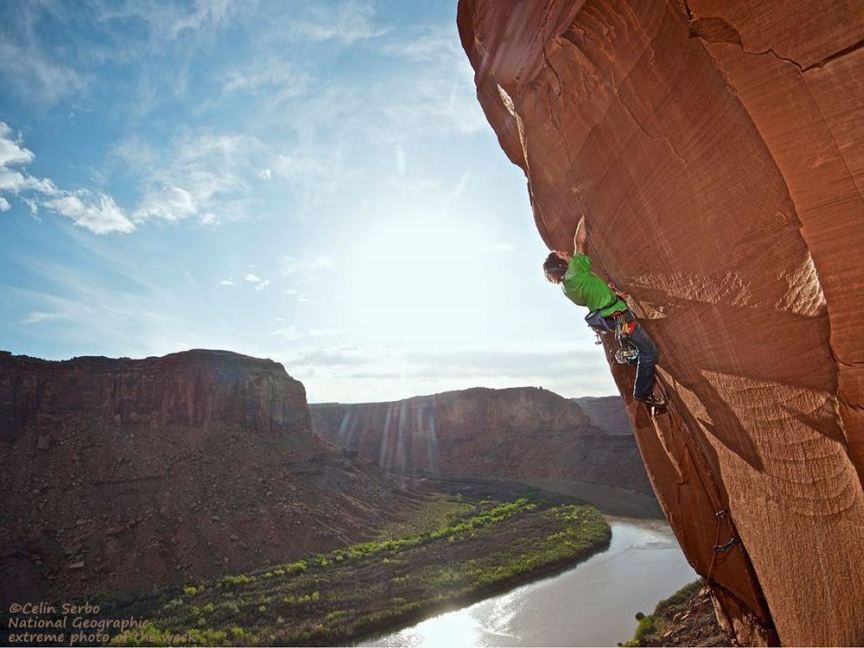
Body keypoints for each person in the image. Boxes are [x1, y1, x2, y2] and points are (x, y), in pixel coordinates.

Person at [543, 215, 665, 408]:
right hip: (619, 316)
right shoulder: (575, 268)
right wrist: (584, 215)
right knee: (649, 351)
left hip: (608, 319)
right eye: (560, 254)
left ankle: (635, 361)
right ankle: (642, 392)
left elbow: (589, 295)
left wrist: (613, 295)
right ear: (562, 264)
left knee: (634, 348)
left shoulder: (567, 287)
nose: (563, 252)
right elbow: (579, 242)